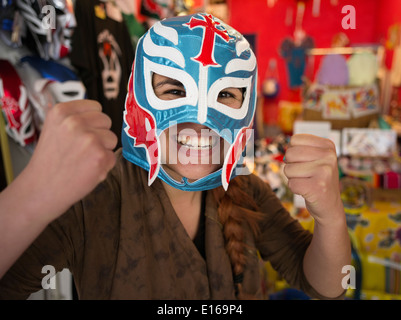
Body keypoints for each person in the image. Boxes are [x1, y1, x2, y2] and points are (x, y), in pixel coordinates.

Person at [0, 13, 351, 300]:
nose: (198, 121)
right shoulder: (96, 196)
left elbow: (327, 285)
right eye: (174, 89)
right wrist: (32, 194)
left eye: (225, 94)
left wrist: (331, 216)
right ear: (138, 95)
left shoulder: (246, 189)